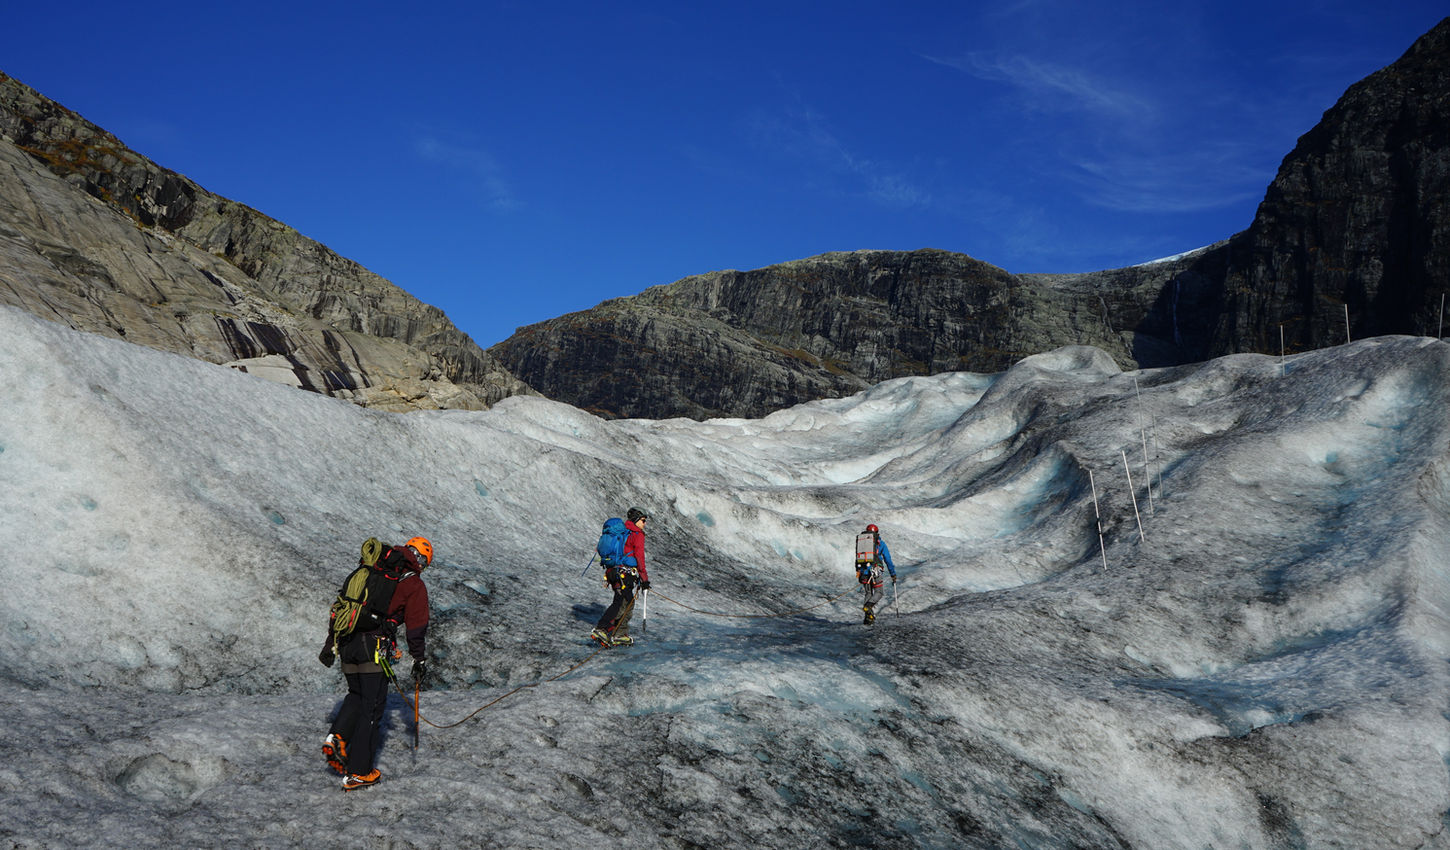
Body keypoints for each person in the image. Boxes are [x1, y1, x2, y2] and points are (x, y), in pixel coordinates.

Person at [319, 536, 433, 791]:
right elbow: (417, 625)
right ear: (422, 560)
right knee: (371, 709)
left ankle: (337, 735)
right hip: (374, 647)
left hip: (347, 643)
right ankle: (359, 773)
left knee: (356, 694)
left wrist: (330, 643)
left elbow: (343, 607)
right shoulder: (413, 583)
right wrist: (419, 658)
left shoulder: (370, 568)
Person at [590, 508, 650, 647]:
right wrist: (644, 579)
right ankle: (603, 628)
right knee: (621, 602)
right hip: (626, 574)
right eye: (643, 520)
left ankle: (618, 633)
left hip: (613, 572)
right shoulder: (637, 534)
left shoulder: (623, 531)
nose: (645, 523)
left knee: (626, 601)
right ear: (636, 519)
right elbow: (640, 557)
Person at [856, 523, 896, 625]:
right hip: (876, 572)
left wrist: (858, 573)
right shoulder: (880, 543)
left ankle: (867, 618)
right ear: (877, 532)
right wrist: (893, 574)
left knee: (868, 593)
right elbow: (888, 559)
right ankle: (868, 607)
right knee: (879, 592)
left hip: (864, 572)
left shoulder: (862, 543)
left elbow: (858, 558)